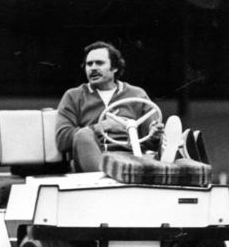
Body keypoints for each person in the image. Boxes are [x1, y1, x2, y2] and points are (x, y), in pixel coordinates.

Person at [55, 41, 164, 172]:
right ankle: (104, 177)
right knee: (83, 135)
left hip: (129, 157)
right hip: (90, 158)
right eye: (89, 64)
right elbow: (62, 140)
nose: (93, 68)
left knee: (167, 142)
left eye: (99, 63)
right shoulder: (73, 96)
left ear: (115, 68)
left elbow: (150, 142)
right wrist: (102, 126)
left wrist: (155, 136)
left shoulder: (137, 94)